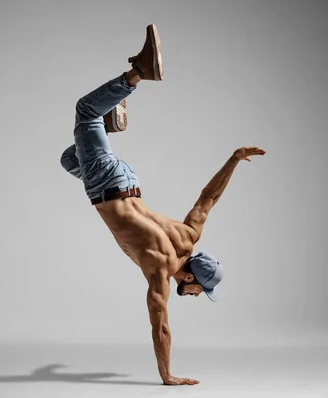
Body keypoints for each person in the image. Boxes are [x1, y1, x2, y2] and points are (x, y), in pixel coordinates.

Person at [60, 24, 266, 386]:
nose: (194, 295)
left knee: (68, 160)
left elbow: (208, 198)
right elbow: (161, 327)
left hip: (127, 182)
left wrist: (234, 159)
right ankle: (140, 71)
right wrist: (166, 375)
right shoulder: (160, 268)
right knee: (85, 111)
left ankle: (110, 124)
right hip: (105, 185)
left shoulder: (189, 235)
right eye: (197, 291)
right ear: (188, 277)